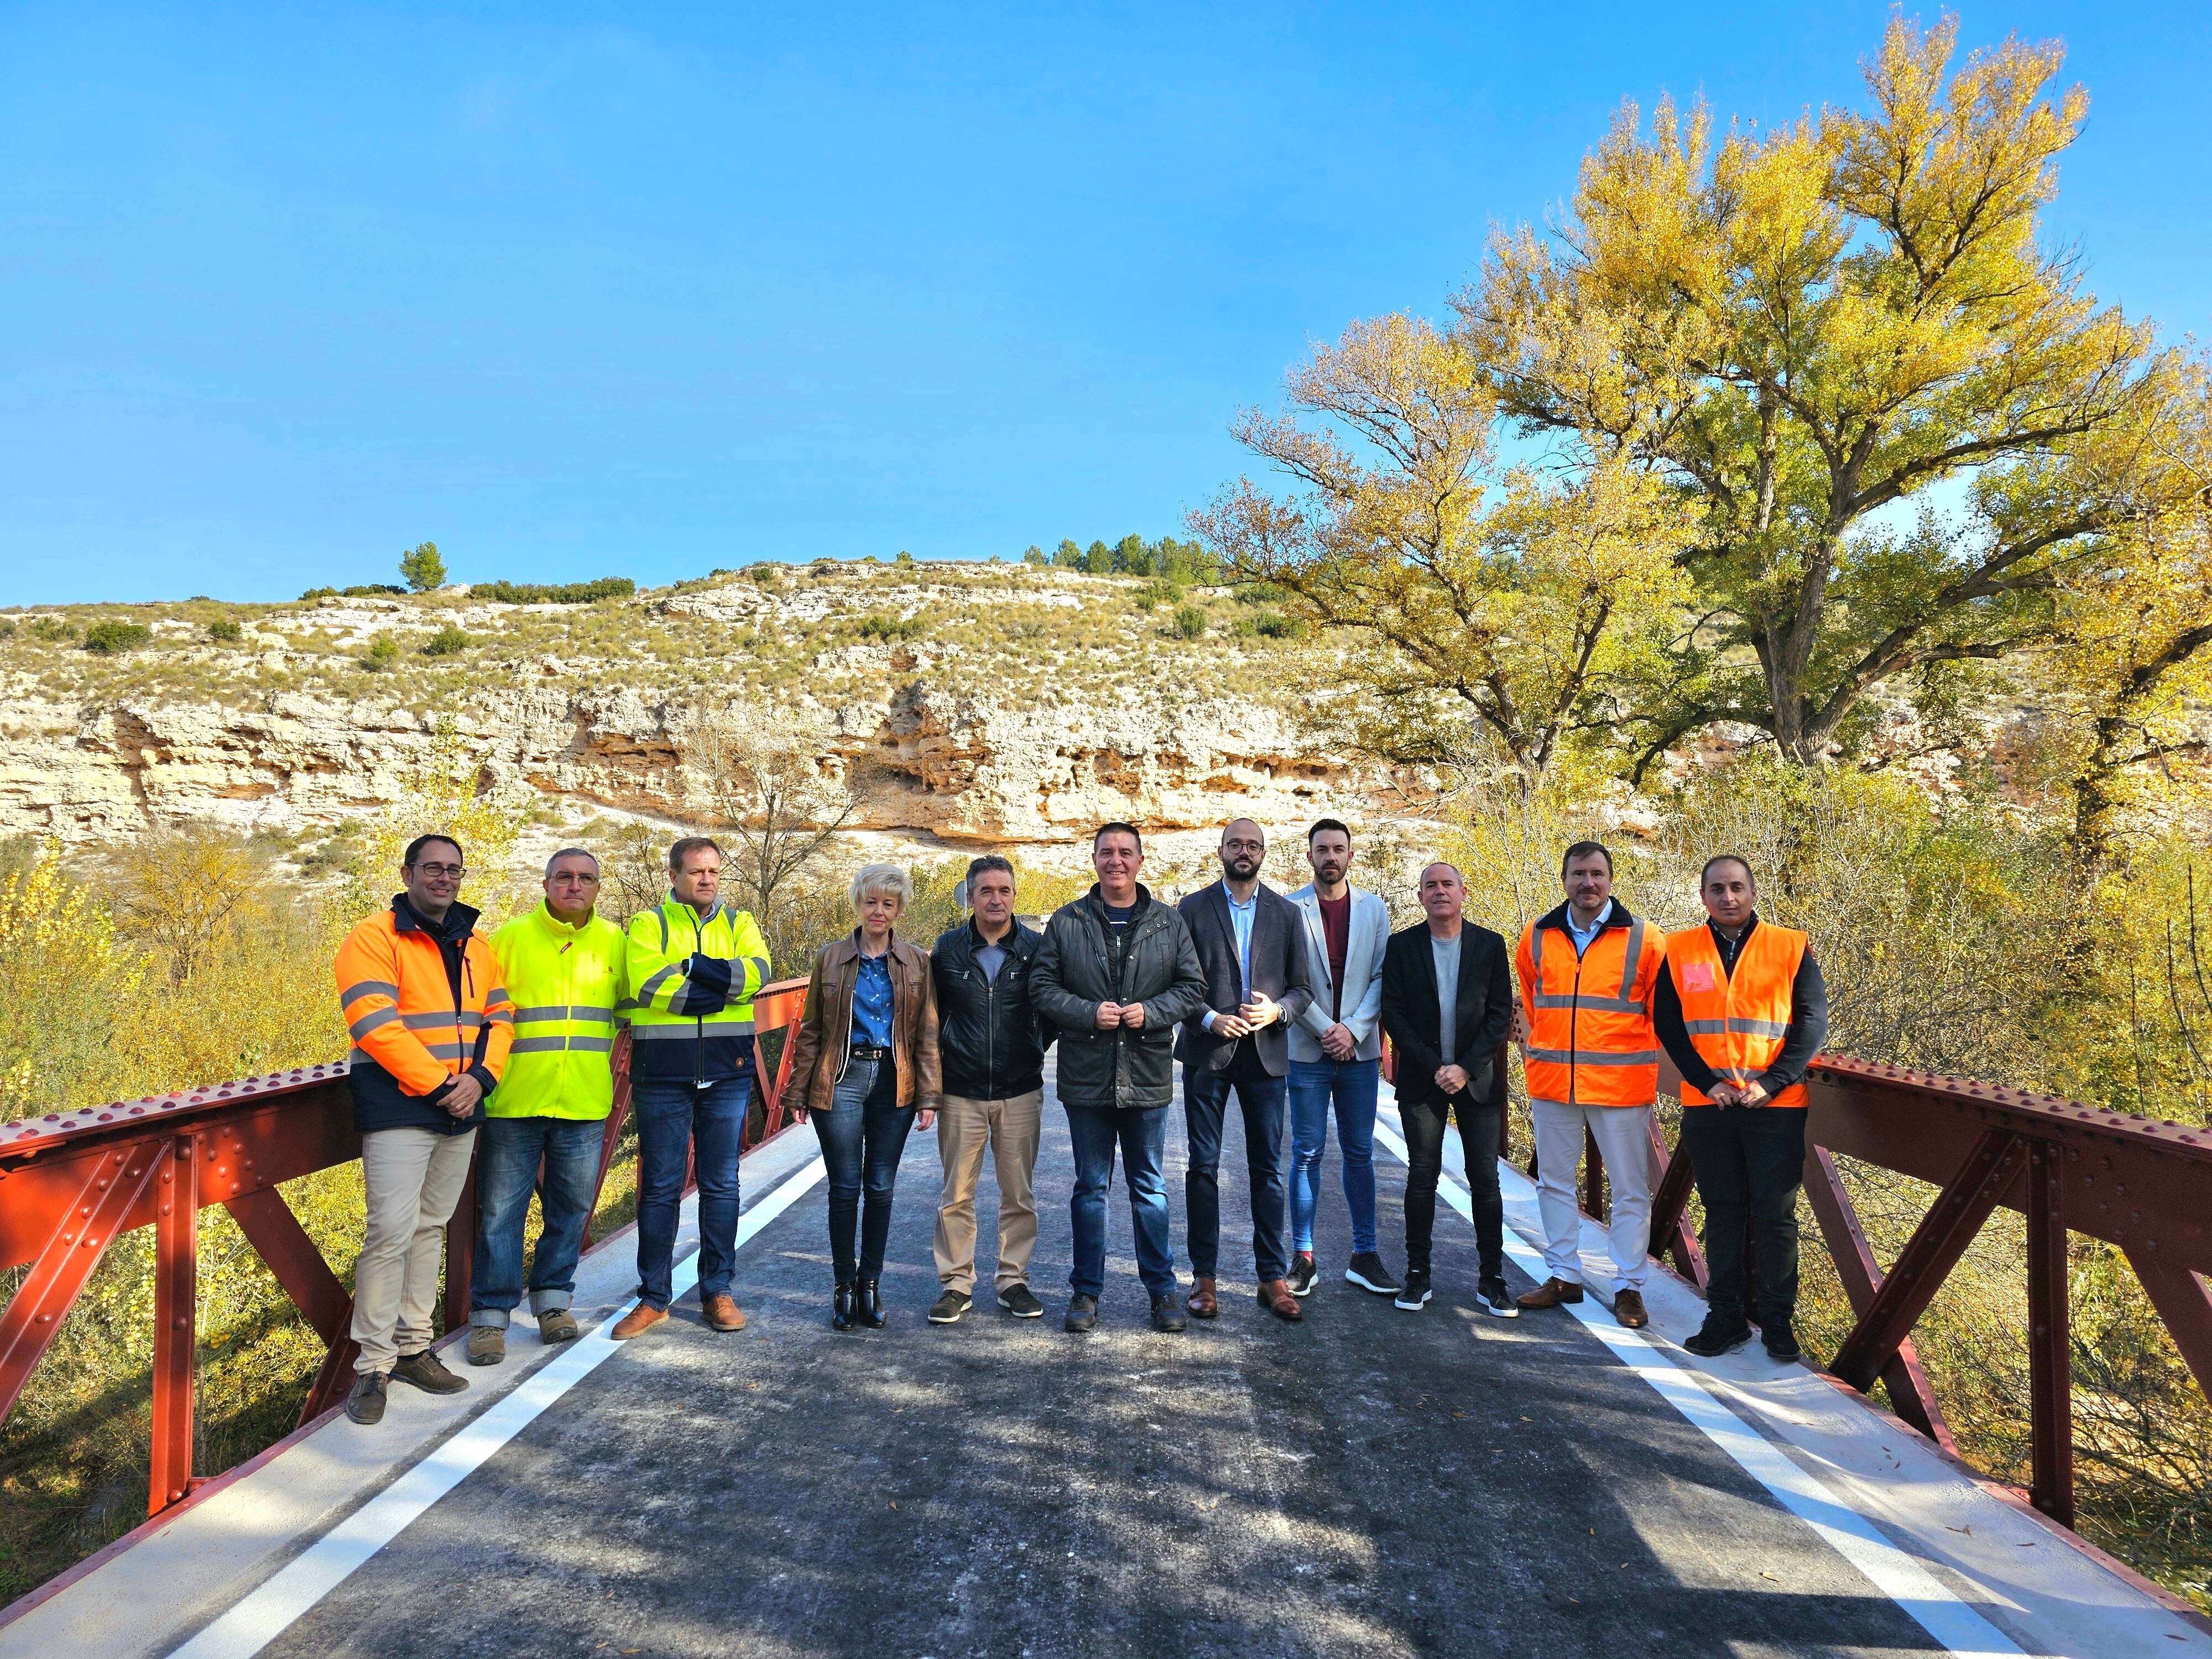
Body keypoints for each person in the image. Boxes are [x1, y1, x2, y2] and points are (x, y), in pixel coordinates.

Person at [332, 833, 514, 1426]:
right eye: (432, 868)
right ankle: (373, 1366)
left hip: (462, 1103)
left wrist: (481, 1080)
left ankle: (414, 1347)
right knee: (389, 1230)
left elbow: (501, 1019)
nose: (444, 878)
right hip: (400, 1106)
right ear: (408, 873)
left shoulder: (477, 943)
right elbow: (375, 1025)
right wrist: (443, 1086)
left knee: (430, 1227)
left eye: (453, 870)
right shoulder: (373, 937)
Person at [1031, 822, 1209, 1334]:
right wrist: (1088, 1013)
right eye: (1107, 852)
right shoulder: (1066, 923)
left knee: (1150, 1187)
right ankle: (1086, 1293)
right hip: (1086, 1077)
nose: (1116, 861)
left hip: (1147, 1076)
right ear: (1094, 860)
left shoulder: (1169, 923)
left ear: (1140, 860)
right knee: (1091, 1187)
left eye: (1125, 852)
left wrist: (1149, 1012)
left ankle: (1162, 1292)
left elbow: (1191, 987)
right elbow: (1042, 987)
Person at [1656, 854, 1829, 1360]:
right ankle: (1726, 1316)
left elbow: (1812, 1020)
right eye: (1717, 889)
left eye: (1736, 887)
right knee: (1723, 1210)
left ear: (1753, 893)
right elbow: (1669, 1023)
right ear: (1703, 896)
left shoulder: (1789, 945)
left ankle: (1777, 1323)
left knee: (1776, 1215)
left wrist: (1773, 1083)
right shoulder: (1679, 948)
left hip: (1774, 1105)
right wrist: (1708, 1083)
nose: (1727, 897)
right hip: (1710, 1104)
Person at [466, 848, 627, 1364]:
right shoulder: (509, 939)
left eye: (585, 878)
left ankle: (553, 1303)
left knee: (572, 1209)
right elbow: (478, 1015)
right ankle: (491, 1316)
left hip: (582, 1101)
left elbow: (632, 1009)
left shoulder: (615, 943)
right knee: (500, 1214)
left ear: (598, 887)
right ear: (546, 883)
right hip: (513, 1100)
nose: (574, 886)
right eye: (564, 877)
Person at [615, 837, 771, 1340]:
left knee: (722, 1185)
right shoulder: (647, 924)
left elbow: (758, 974)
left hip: (728, 1071)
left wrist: (693, 969)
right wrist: (715, 992)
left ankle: (717, 1292)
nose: (707, 879)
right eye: (697, 872)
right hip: (663, 1071)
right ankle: (654, 1299)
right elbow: (648, 984)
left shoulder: (741, 923)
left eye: (714, 872)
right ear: (675, 877)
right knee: (661, 1188)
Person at [1512, 842, 1667, 1331]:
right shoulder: (1536, 936)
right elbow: (1532, 1004)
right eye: (1579, 874)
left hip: (1620, 1086)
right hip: (1554, 1082)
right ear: (1564, 879)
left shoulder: (1646, 939)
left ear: (1611, 879)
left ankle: (1629, 1287)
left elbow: (1661, 1013)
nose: (1588, 883)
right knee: (1554, 1183)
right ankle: (1564, 1276)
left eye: (1597, 874)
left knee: (1629, 1191)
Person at [785, 863, 942, 1331]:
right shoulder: (830, 958)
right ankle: (843, 1286)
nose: (879, 911)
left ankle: (870, 1285)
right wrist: (798, 1088)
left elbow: (927, 1034)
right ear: (858, 902)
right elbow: (812, 1030)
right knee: (844, 1188)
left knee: (881, 1187)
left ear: (899, 910)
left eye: (888, 904)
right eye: (871, 901)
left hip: (895, 1080)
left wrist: (929, 1095)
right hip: (842, 1078)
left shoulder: (916, 961)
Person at [1176, 818, 1314, 1322]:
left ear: (1264, 853)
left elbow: (1303, 989)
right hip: (1207, 1054)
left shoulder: (1286, 913)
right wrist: (1209, 1018)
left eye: (1253, 844)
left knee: (1267, 1171)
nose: (1244, 851)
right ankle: (1204, 1277)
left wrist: (1277, 1012)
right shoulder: (1191, 909)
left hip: (1266, 1057)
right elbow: (1176, 984)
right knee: (1203, 1168)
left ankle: (1271, 1278)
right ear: (1221, 850)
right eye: (1236, 843)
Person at [1379, 863, 1513, 1315]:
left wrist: (1465, 1068)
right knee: (1421, 1178)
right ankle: (1418, 1275)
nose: (1440, 892)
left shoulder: (1491, 945)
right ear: (1420, 897)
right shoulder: (1401, 946)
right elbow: (1393, 1013)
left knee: (1486, 1183)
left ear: (1464, 892)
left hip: (1478, 1082)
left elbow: (1499, 1015)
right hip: (1423, 1080)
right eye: (1430, 886)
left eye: (1448, 884)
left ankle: (1492, 1279)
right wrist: (1438, 1066)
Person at [928, 854, 1052, 1323]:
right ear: (971, 897)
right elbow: (930, 1016)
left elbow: (1053, 1010)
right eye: (986, 891)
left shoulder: (1038, 949)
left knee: (1018, 1194)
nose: (995, 899)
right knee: (956, 1194)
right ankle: (956, 1285)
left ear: (1015, 895)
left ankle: (1013, 1281)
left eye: (1004, 890)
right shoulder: (948, 949)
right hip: (961, 1090)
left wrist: (1033, 1046)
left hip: (1020, 1089)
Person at [1285, 818, 1397, 1297]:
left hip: (1360, 1052)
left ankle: (1364, 1255)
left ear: (1352, 855)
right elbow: (1288, 980)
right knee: (1306, 1152)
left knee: (1359, 1153)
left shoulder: (1375, 909)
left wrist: (1351, 1030)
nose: (1331, 856)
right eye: (1322, 849)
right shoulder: (1290, 909)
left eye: (1339, 849)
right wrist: (1324, 1029)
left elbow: (1381, 977)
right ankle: (1304, 1256)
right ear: (1309, 856)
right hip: (1307, 1051)